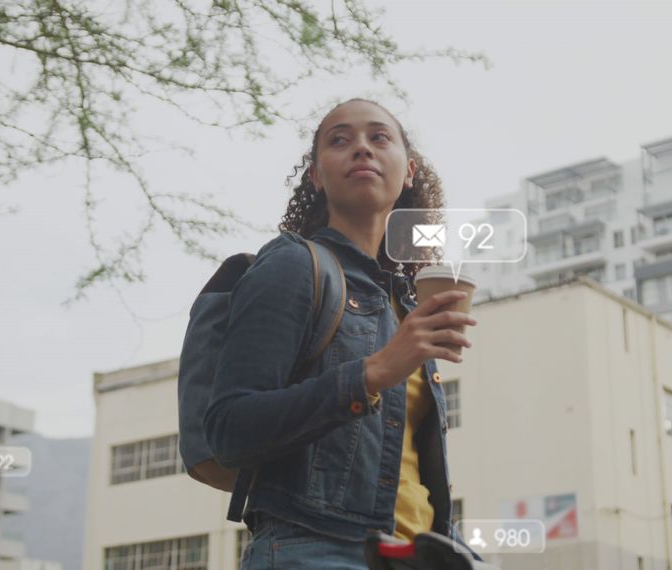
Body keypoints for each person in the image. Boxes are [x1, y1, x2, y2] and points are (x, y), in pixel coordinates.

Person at [204, 98, 485, 568]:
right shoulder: (293, 264)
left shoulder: (404, 301)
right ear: (316, 175)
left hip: (411, 555)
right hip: (316, 550)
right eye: (339, 140)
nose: (361, 148)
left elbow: (407, 474)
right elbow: (230, 429)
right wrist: (372, 374)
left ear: (409, 170)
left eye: (379, 137)